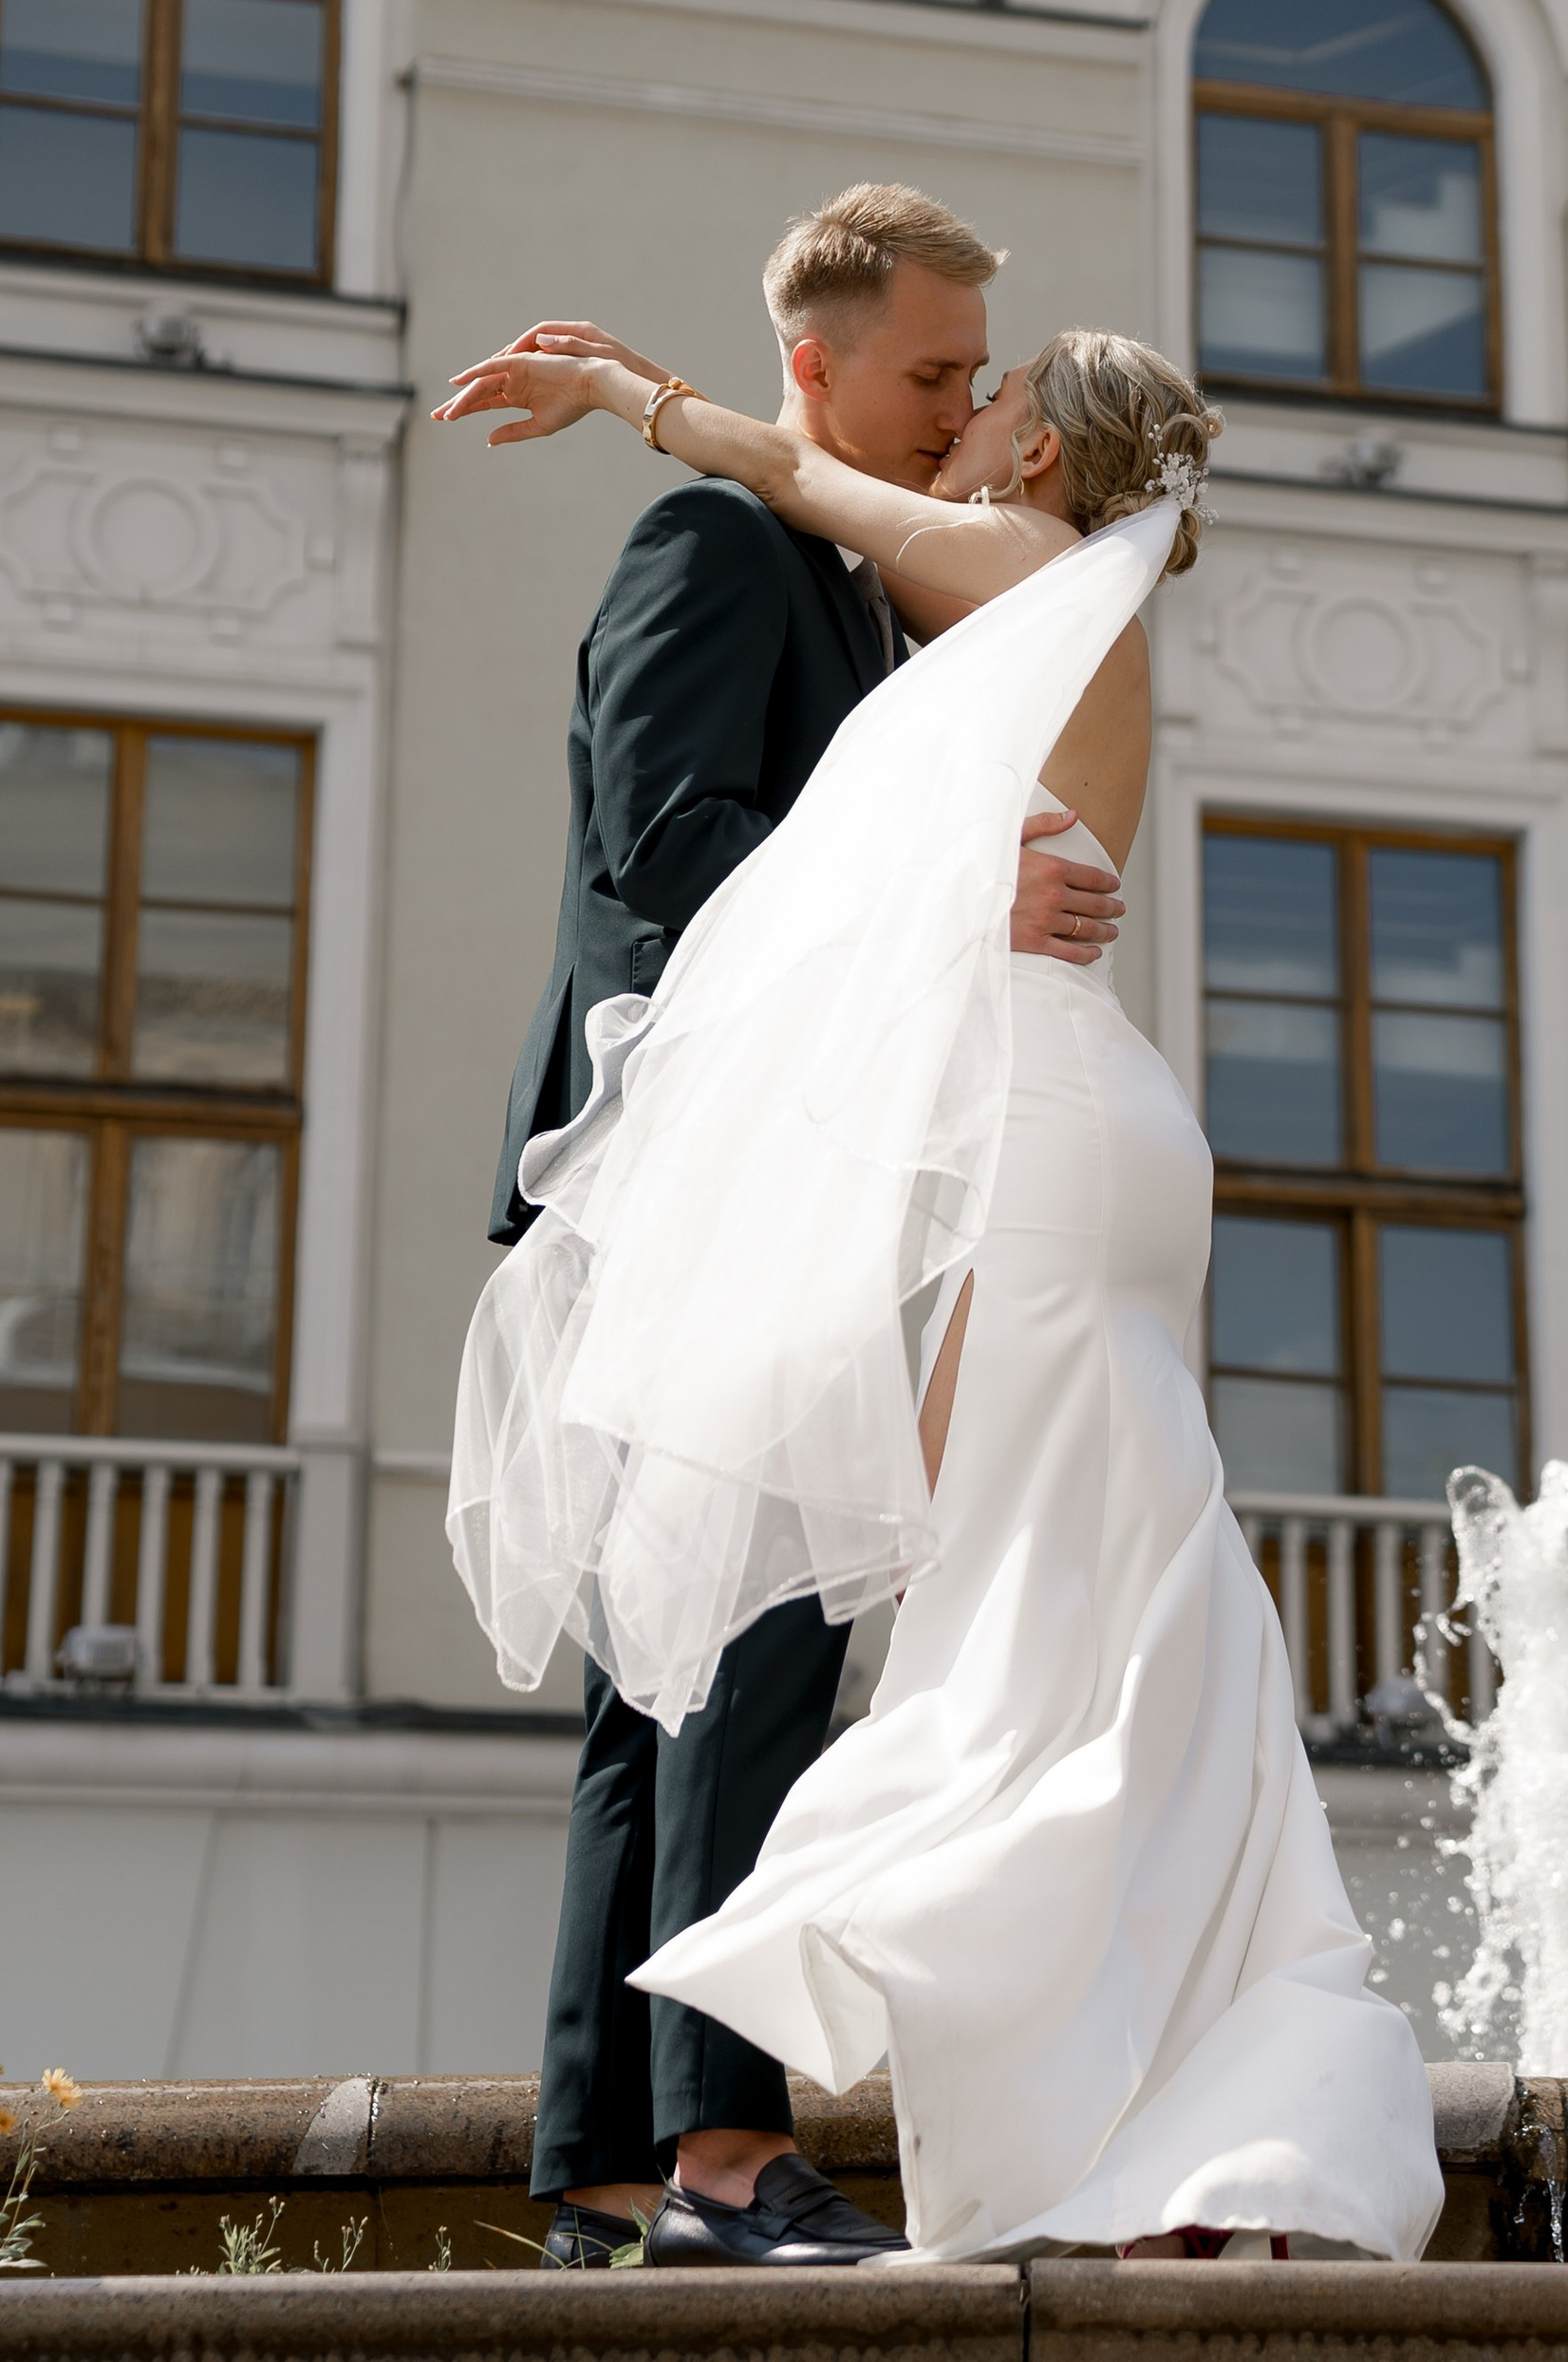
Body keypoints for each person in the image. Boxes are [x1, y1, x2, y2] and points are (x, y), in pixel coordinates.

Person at [438, 318, 1444, 2268]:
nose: (964, 419)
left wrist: (627, 394)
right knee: (1098, 1596)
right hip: (1082, 1123)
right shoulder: (1051, 607)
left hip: (1039, 1141)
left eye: (991, 395)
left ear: (1045, 447)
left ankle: (997, 2071)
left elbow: (793, 473)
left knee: (996, 1608)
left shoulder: (1022, 565)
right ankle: (1164, 2091)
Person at [481, 186, 1125, 2271]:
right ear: (816, 364)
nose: (955, 407)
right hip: (683, 1172)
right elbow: (662, 849)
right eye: (931, 373)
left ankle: (607, 2170)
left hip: (760, 1169)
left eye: (973, 376)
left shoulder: (849, 585)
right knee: (745, 1654)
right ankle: (729, 2156)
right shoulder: (714, 545)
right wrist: (962, 899)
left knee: (662, 1685)